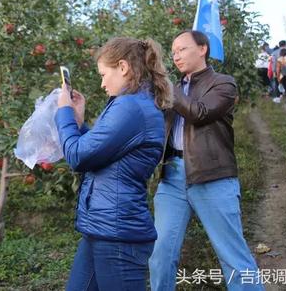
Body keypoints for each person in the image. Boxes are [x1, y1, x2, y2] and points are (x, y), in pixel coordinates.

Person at [149, 30, 263, 291]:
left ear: (203, 49)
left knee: (232, 255)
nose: (176, 55)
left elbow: (199, 113)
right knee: (160, 252)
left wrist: (168, 87)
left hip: (212, 176)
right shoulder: (173, 89)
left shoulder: (223, 83)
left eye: (183, 49)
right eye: (173, 51)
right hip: (172, 178)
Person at [55, 37, 172, 290]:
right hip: (103, 228)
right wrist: (77, 121)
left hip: (119, 235)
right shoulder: (131, 104)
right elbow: (99, 153)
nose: (102, 83)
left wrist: (63, 112)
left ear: (123, 67)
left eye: (103, 74)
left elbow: (78, 156)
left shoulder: (131, 107)